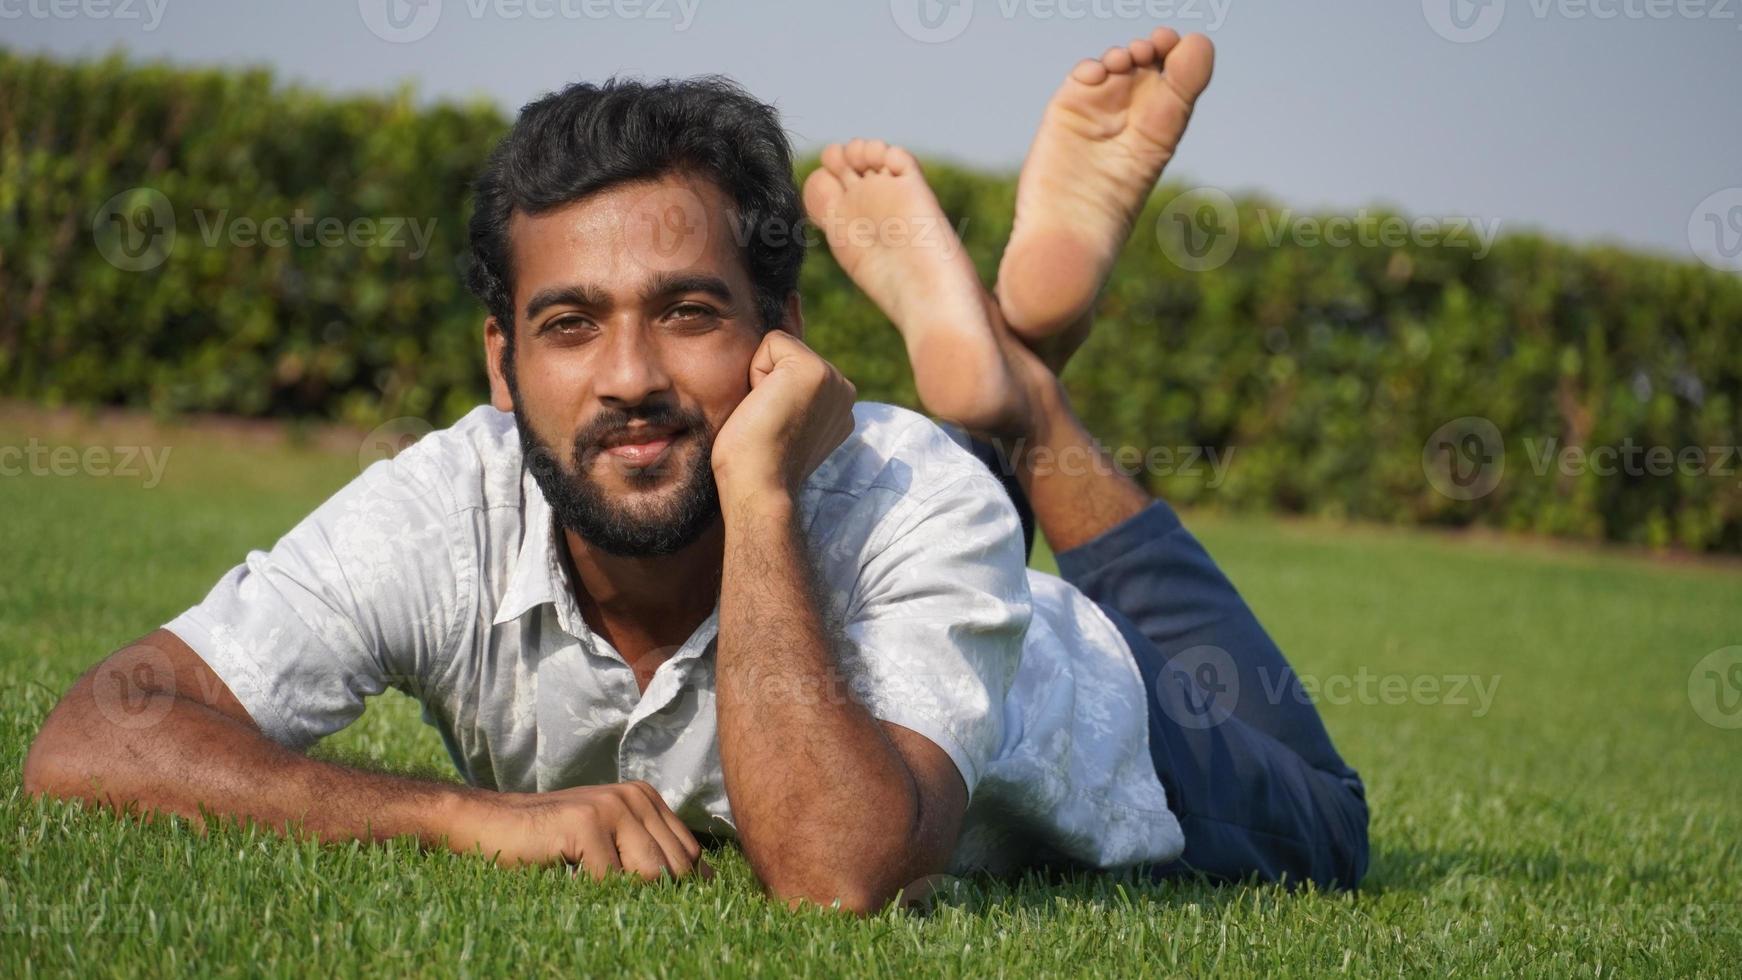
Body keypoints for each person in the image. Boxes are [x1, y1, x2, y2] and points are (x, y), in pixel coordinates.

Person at [24, 28, 1367, 912]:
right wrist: (459, 817)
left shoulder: (903, 494)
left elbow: (836, 873)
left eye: (686, 311)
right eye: (569, 325)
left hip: (1136, 724)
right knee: (907, 484)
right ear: (499, 367)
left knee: (1334, 823)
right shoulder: (449, 501)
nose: (626, 377)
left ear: (780, 340)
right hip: (906, 527)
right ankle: (1003, 375)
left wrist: (765, 498)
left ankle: (1022, 403)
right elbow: (96, 735)